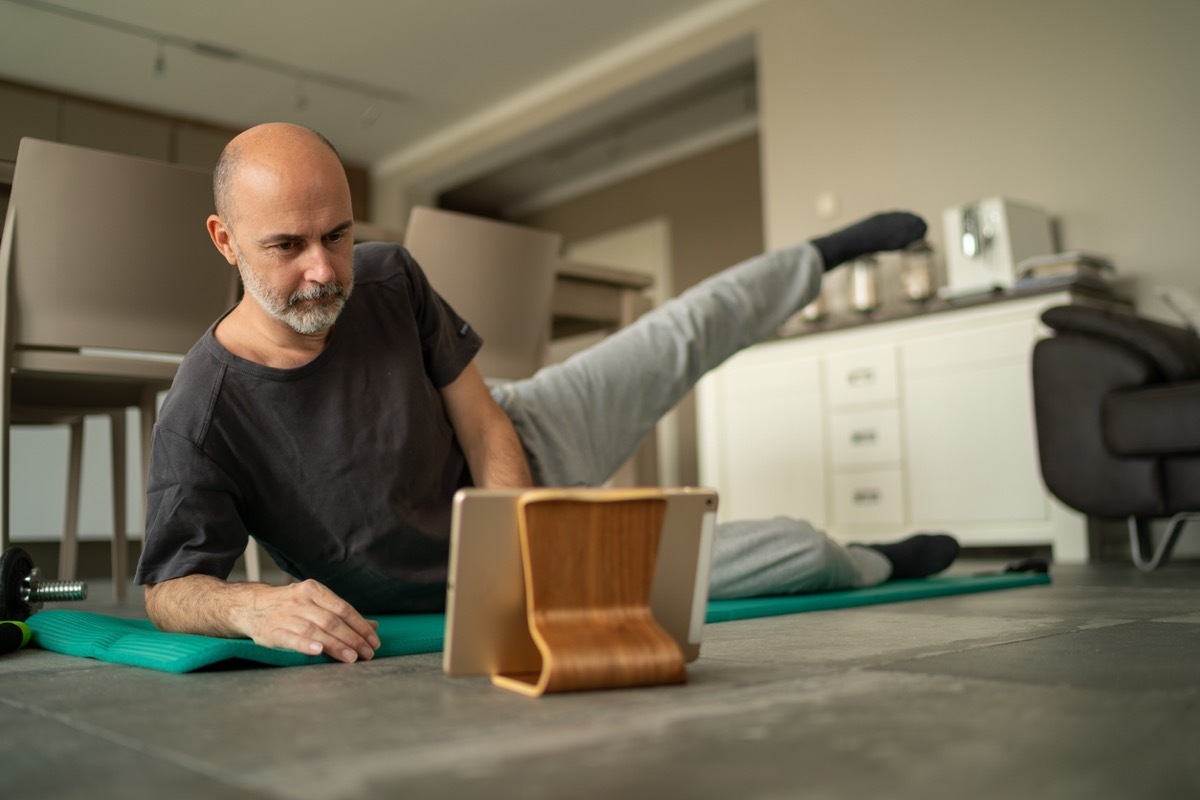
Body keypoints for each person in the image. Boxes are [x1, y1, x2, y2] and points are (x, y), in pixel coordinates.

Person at [135, 123, 958, 664]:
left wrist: (515, 537)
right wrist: (249, 606)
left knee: (680, 332)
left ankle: (823, 253)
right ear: (225, 240)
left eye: (338, 235)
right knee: (799, 554)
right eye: (287, 245)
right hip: (458, 576)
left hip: (520, 451)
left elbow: (481, 415)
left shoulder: (387, 277)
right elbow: (170, 588)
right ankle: (881, 561)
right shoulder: (202, 416)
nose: (323, 270)